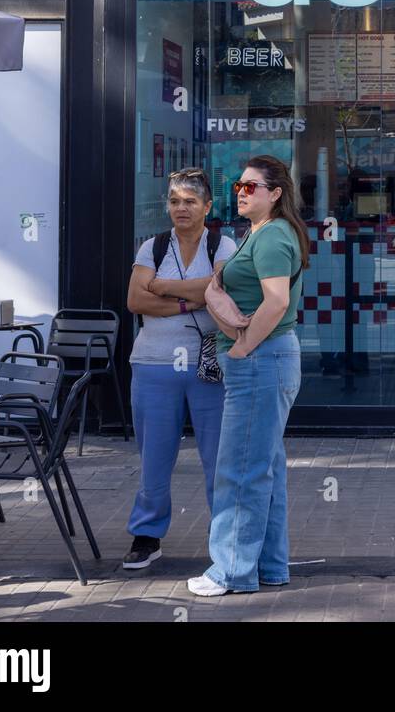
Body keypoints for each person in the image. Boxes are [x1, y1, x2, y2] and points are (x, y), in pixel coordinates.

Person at [188, 153, 306, 597]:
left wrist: (241, 347)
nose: (241, 192)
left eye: (251, 186)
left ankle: (230, 571)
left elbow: (275, 302)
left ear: (275, 194)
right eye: (238, 185)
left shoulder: (273, 236)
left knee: (239, 470)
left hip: (260, 361)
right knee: (263, 468)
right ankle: (269, 567)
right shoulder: (260, 232)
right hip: (266, 361)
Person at [123, 168, 237, 570]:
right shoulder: (151, 247)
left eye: (190, 201)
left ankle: (224, 539)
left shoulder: (223, 244)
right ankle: (147, 535)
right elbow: (136, 301)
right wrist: (193, 300)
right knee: (154, 457)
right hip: (154, 363)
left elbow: (221, 288)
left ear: (207, 206)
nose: (181, 208)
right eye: (174, 201)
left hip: (209, 366)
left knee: (218, 457)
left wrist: (163, 287)